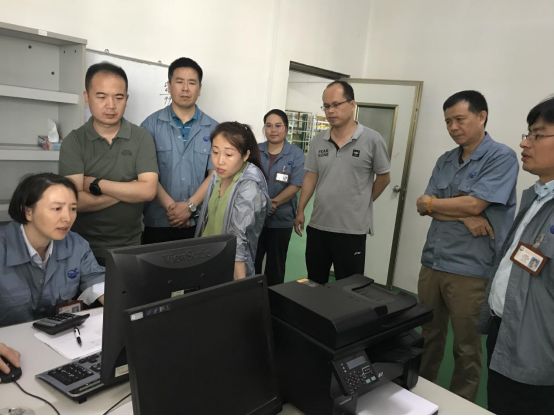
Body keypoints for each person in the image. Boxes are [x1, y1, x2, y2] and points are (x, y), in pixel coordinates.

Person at [416, 90, 518, 401]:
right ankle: (419, 393)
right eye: (448, 121)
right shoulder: (445, 160)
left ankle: (461, 403)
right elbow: (422, 205)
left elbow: (474, 204)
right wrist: (462, 215)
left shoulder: (501, 157)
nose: (453, 127)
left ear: (482, 116)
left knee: (466, 347)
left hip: (470, 270)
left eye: (459, 119)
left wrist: (441, 205)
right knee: (428, 336)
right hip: (433, 262)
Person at [480, 96, 554, 414]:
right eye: (528, 134)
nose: (525, 143)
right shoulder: (537, 196)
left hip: (538, 352)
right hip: (507, 332)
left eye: (537, 135)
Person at [59, 62, 159, 264]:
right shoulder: (74, 141)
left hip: (130, 247)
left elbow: (148, 191)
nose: (111, 105)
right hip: (81, 248)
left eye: (119, 97)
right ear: (87, 97)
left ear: (126, 99)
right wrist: (130, 190)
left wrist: (96, 184)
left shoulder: (141, 137)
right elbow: (75, 202)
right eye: (101, 96)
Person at [294, 80, 391, 283]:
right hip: (319, 226)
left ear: (352, 104)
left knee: (349, 288)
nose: (330, 111)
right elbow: (311, 176)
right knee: (315, 284)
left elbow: (384, 178)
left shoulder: (372, 140)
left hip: (351, 231)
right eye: (326, 106)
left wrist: (363, 200)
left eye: (336, 104)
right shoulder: (318, 141)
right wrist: (301, 209)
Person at [0, 173, 105, 327]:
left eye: (73, 208)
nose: (67, 218)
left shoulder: (76, 245)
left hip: (59, 336)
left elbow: (96, 283)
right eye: (57, 208)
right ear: (28, 212)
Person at [141, 57, 218, 244]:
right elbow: (145, 174)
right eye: (179, 81)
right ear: (169, 86)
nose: (185, 88)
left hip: (198, 223)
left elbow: (215, 174)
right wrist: (172, 208)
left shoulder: (214, 128)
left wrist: (190, 206)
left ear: (199, 88)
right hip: (158, 222)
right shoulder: (149, 125)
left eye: (192, 83)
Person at [195, 122, 270, 279]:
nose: (219, 161)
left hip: (229, 270)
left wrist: (240, 288)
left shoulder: (249, 187)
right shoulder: (217, 176)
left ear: (245, 155)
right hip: (206, 262)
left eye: (228, 155)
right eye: (215, 152)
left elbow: (238, 243)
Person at [254, 109, 305, 285]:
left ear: (286, 128)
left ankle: (273, 300)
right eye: (268, 126)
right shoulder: (255, 151)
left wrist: (273, 203)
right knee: (252, 263)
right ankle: (252, 299)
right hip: (254, 219)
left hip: (281, 220)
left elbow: (296, 184)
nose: (273, 130)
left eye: (278, 126)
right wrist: (261, 205)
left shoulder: (296, 154)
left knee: (275, 267)